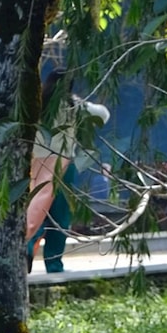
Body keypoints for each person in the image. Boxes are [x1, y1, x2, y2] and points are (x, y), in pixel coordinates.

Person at [25, 77, 110, 274]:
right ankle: (54, 265)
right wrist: (76, 99)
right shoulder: (73, 106)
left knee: (36, 208)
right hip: (62, 165)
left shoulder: (35, 103)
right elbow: (103, 115)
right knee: (60, 217)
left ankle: (27, 246)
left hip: (34, 164)